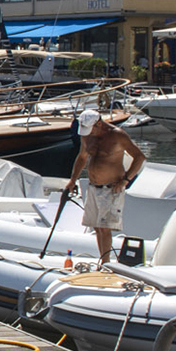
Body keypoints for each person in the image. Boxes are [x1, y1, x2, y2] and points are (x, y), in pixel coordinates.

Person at [67, 107, 145, 265]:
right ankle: (102, 259)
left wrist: (125, 180)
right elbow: (82, 157)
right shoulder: (87, 136)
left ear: (99, 124)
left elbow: (139, 157)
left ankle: (106, 262)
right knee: (96, 227)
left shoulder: (117, 136)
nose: (88, 132)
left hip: (111, 188)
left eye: (90, 129)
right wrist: (72, 179)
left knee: (105, 228)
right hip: (93, 186)